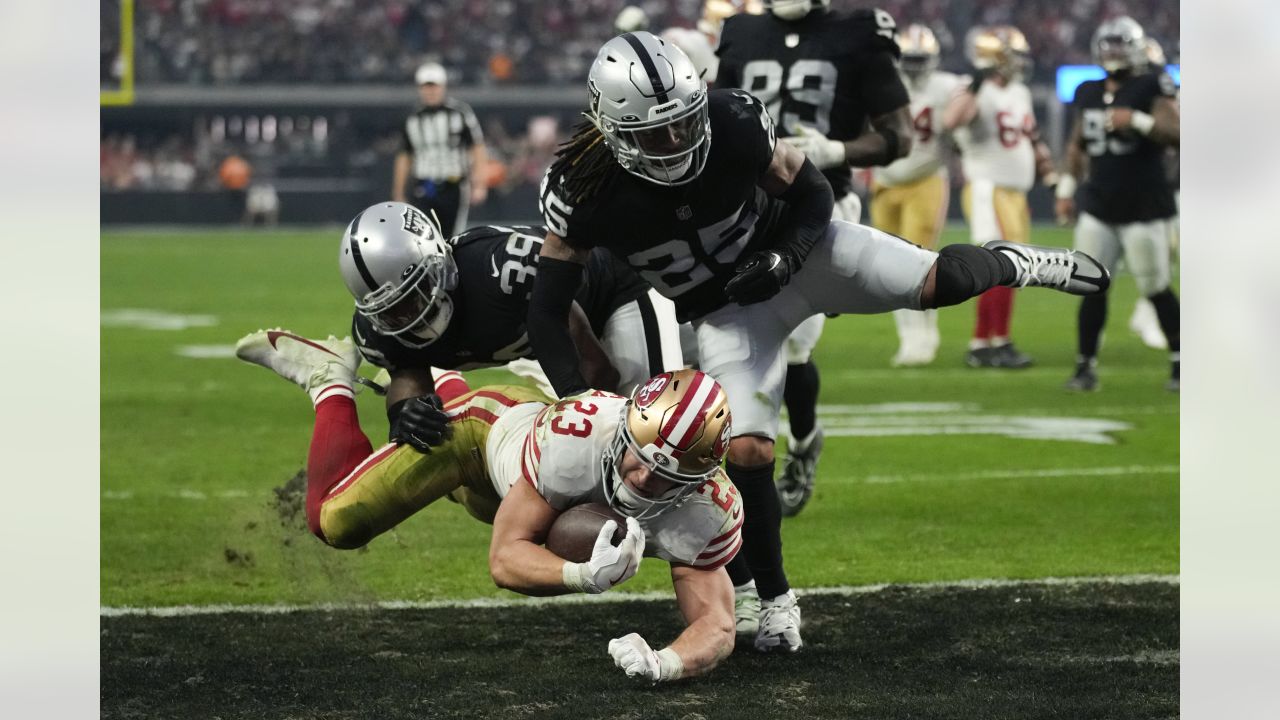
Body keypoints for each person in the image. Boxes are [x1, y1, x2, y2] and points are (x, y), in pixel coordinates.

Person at [527, 32, 1110, 653]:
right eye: (654, 133)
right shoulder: (580, 187)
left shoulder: (733, 119)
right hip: (726, 313)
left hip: (805, 258)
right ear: (612, 130)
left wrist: (784, 256)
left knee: (943, 280)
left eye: (684, 122)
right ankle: (774, 600)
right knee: (746, 447)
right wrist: (577, 405)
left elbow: (813, 195)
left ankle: (1016, 262)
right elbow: (547, 310)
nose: (676, 143)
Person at [233, 328, 742, 683]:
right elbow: (505, 558)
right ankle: (330, 380)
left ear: (700, 478)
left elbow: (716, 626)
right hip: (479, 438)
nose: (642, 476)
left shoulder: (708, 510)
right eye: (638, 453)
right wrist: (582, 576)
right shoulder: (577, 440)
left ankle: (434, 375)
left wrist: (665, 662)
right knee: (335, 521)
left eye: (666, 474)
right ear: (628, 422)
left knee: (486, 507)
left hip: (511, 491)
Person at [714, 0, 914, 625]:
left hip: (820, 207)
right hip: (741, 212)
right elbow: (712, 119)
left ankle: (799, 441)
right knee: (732, 348)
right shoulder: (741, 31)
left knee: (795, 345)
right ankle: (750, 468)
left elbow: (898, 136)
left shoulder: (858, 31)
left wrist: (834, 148)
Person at [336, 202, 682, 434]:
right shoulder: (380, 334)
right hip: (552, 339)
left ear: (438, 261)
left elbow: (599, 372)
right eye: (392, 310)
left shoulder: (503, 272)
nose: (410, 315)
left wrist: (582, 429)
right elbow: (407, 377)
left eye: (416, 293)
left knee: (655, 426)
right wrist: (405, 416)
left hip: (613, 294)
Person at [1055, 17, 1181, 392]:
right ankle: (1084, 366)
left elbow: (1178, 132)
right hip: (1099, 203)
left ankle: (1180, 362)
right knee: (1089, 285)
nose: (1113, 52)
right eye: (1108, 45)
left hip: (1145, 205)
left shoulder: (1152, 84)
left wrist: (1139, 121)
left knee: (1155, 286)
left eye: (1120, 44)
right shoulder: (1088, 90)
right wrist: (1065, 190)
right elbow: (1077, 144)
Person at [944, 26, 1060, 369]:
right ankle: (983, 343)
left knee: (1015, 267)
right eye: (1014, 55)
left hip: (1013, 192)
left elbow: (1032, 136)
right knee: (1000, 263)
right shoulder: (972, 90)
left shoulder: (1019, 91)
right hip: (988, 188)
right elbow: (953, 120)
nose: (1021, 62)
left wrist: (1051, 175)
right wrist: (978, 84)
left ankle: (996, 340)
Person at [870, 23, 964, 367]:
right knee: (888, 266)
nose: (913, 65)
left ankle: (924, 333)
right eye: (908, 58)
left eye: (919, 58)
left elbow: (963, 116)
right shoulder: (879, 83)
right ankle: (910, 336)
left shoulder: (947, 86)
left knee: (919, 261)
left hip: (926, 178)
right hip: (884, 180)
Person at [392, 62, 488, 237]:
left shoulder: (460, 112)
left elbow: (477, 147)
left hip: (454, 184)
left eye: (434, 86)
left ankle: (450, 265)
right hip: (423, 185)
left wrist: (480, 183)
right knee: (421, 238)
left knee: (452, 239)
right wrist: (398, 192)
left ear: (443, 87)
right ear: (419, 88)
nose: (430, 91)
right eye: (425, 87)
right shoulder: (411, 118)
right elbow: (404, 156)